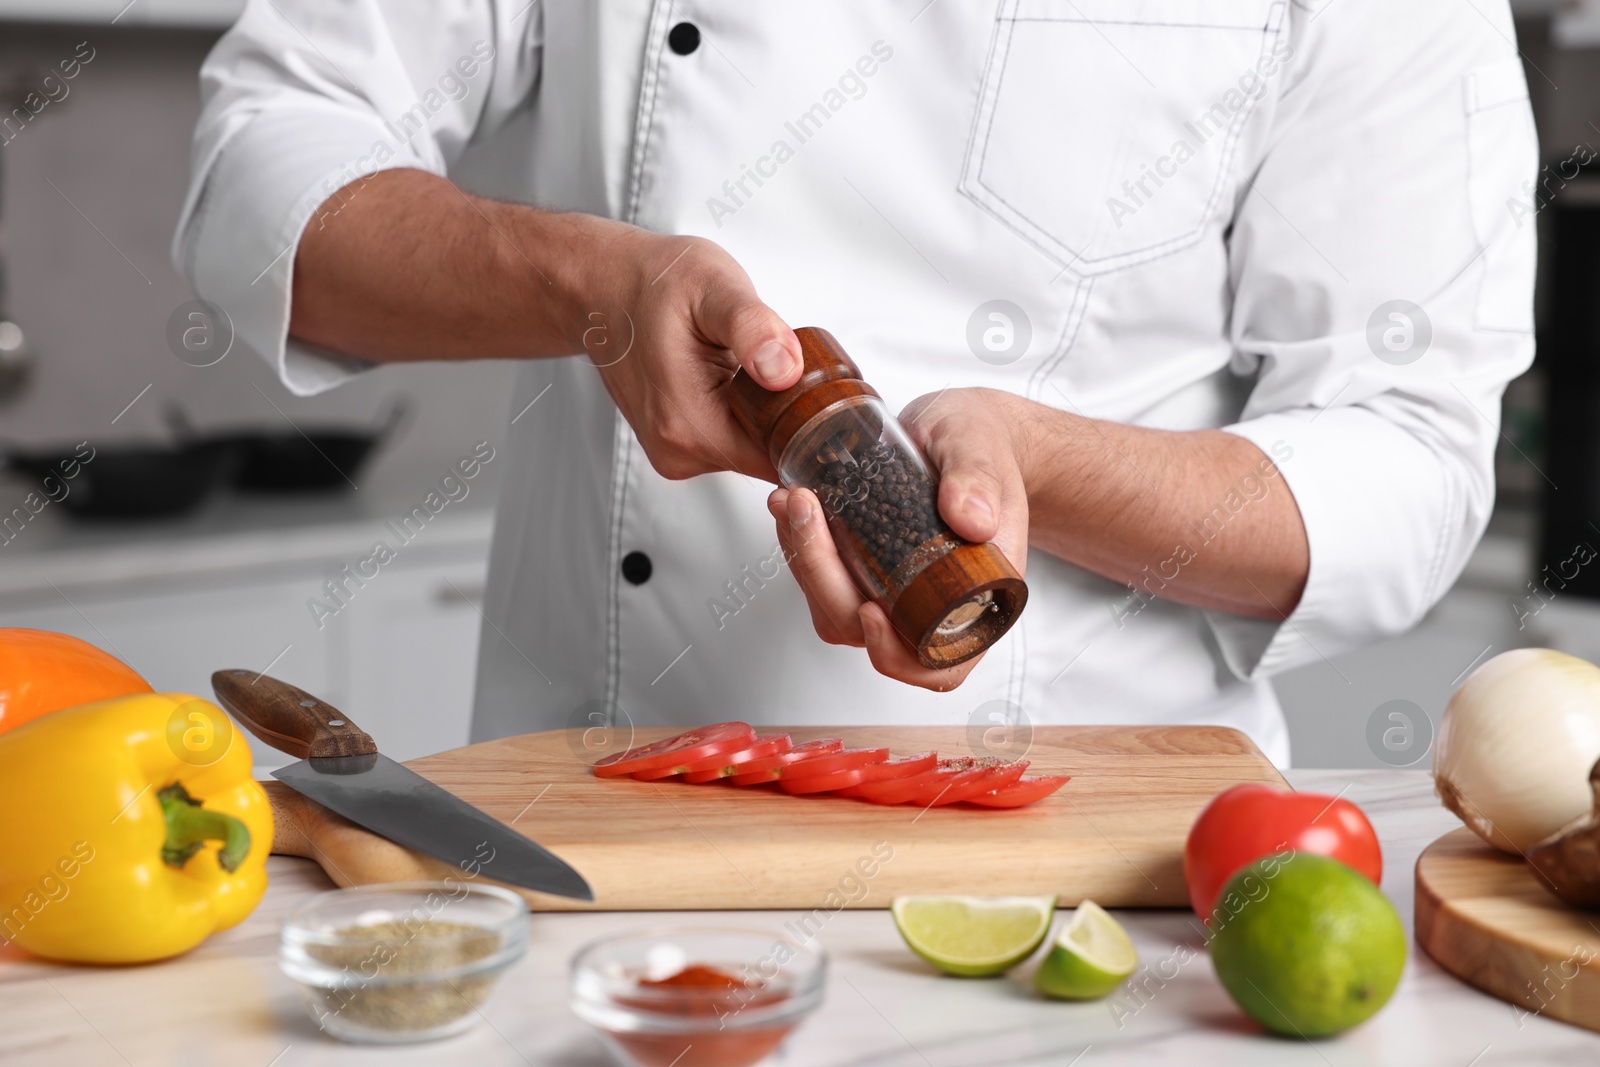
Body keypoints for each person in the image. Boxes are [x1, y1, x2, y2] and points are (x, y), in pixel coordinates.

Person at [176, 0, 1536, 766]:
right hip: (602, 831)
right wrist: (593, 289)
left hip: (1083, 862)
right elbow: (263, 168)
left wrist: (1032, 465)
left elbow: (1409, 458)